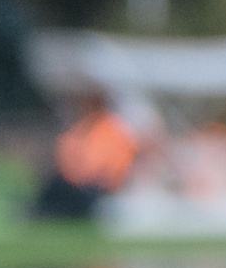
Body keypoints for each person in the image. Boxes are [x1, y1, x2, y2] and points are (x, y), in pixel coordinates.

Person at [35, 89, 145, 220]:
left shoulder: (112, 129)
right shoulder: (86, 126)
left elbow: (110, 165)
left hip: (99, 185)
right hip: (79, 181)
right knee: (56, 183)